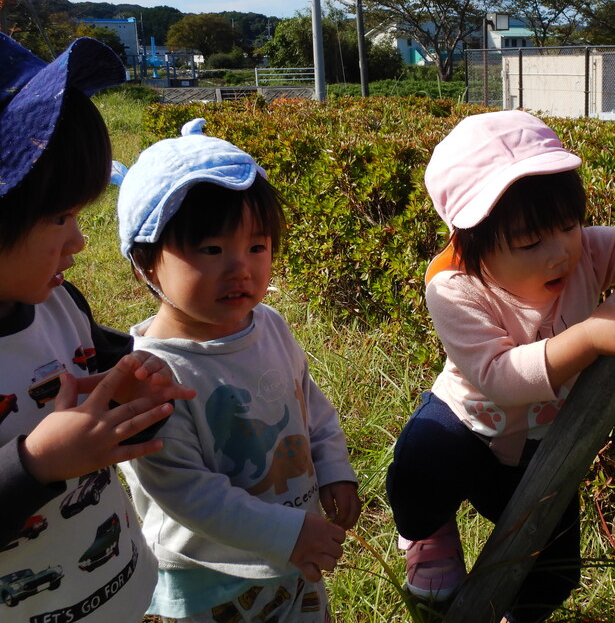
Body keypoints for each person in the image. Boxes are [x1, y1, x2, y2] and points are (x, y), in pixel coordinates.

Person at [386, 108, 615, 622]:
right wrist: (588, 337)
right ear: (470, 245)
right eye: (529, 243)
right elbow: (499, 378)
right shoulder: (453, 286)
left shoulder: (584, 252)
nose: (560, 253)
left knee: (554, 570)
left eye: (568, 226)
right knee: (420, 467)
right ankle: (430, 535)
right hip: (469, 425)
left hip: (543, 447)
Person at [115, 124, 361, 623]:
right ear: (146, 262)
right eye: (212, 250)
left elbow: (309, 405)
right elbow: (187, 491)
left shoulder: (268, 326)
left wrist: (334, 467)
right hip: (212, 582)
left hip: (294, 560)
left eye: (257, 246)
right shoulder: (147, 373)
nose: (241, 269)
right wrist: (287, 534)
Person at [0, 32, 196, 621]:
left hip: (120, 589)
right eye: (59, 217)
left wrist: (137, 377)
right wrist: (33, 462)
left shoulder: (61, 303)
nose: (79, 242)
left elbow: (104, 370)